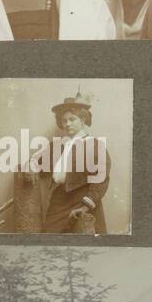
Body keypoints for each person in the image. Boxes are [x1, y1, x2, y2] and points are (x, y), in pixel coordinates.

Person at [8, 88, 110, 234]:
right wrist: (30, 166)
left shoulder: (94, 145)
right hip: (59, 200)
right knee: (50, 236)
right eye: (64, 120)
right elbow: (36, 161)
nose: (67, 124)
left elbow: (101, 180)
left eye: (72, 119)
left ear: (82, 120)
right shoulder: (58, 145)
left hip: (82, 199)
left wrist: (85, 206)